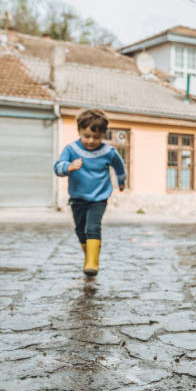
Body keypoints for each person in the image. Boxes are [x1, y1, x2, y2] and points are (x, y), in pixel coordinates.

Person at [54, 108, 126, 277]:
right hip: (77, 197)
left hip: (98, 198)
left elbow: (119, 167)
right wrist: (69, 167)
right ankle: (90, 257)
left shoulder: (109, 152)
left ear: (104, 134)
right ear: (79, 131)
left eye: (97, 137)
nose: (91, 141)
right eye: (87, 136)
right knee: (80, 230)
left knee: (92, 227)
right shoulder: (71, 149)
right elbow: (57, 167)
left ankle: (92, 263)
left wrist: (122, 182)